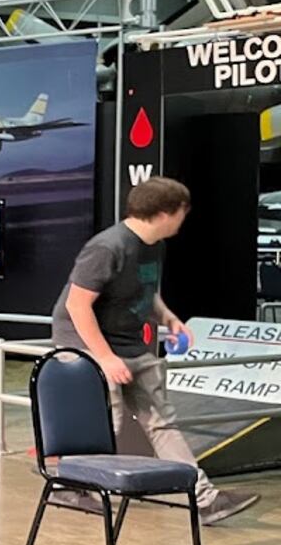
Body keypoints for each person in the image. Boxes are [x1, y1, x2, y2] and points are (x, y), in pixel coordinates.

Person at [53, 177, 260, 526]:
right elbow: (76, 306)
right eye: (182, 212)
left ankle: (204, 499)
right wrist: (103, 358)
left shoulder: (153, 245)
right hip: (86, 344)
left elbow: (143, 290)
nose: (183, 219)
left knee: (162, 421)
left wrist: (167, 317)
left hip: (129, 343)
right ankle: (71, 485)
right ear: (165, 213)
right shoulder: (107, 247)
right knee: (107, 420)